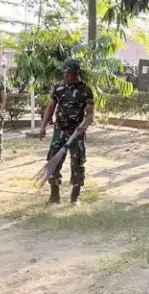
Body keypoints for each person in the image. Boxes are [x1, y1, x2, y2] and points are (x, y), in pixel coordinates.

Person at [39, 59, 95, 206]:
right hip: (60, 131)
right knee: (53, 162)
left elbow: (90, 114)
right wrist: (43, 126)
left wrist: (86, 125)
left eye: (70, 73)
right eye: (66, 73)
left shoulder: (86, 90)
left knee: (77, 163)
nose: (67, 76)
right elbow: (51, 108)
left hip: (77, 132)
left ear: (76, 73)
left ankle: (75, 197)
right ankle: (54, 196)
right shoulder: (58, 88)